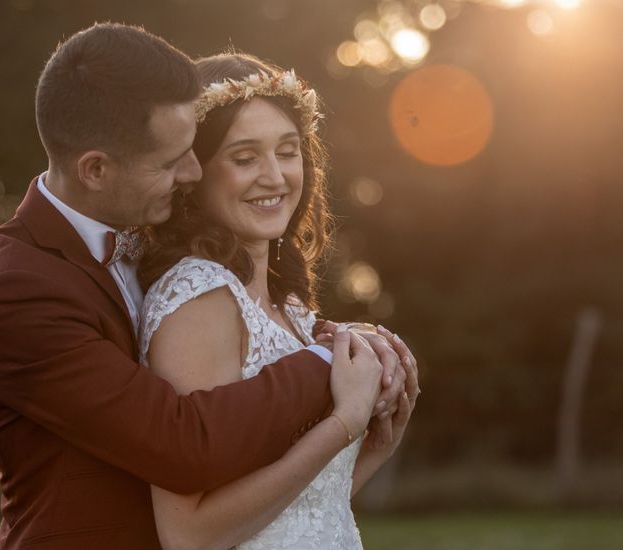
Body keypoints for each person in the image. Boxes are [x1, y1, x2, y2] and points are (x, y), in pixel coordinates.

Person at [0, 23, 407, 550]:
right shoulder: (18, 289)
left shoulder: (161, 248)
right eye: (174, 161)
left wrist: (372, 433)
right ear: (96, 170)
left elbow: (291, 511)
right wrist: (329, 365)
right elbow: (184, 443)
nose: (193, 172)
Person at [136, 52, 421, 549]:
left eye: (287, 151)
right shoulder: (197, 297)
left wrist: (377, 441)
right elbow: (190, 535)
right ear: (193, 174)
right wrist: (342, 423)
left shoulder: (290, 309)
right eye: (245, 158)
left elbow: (298, 514)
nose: (275, 176)